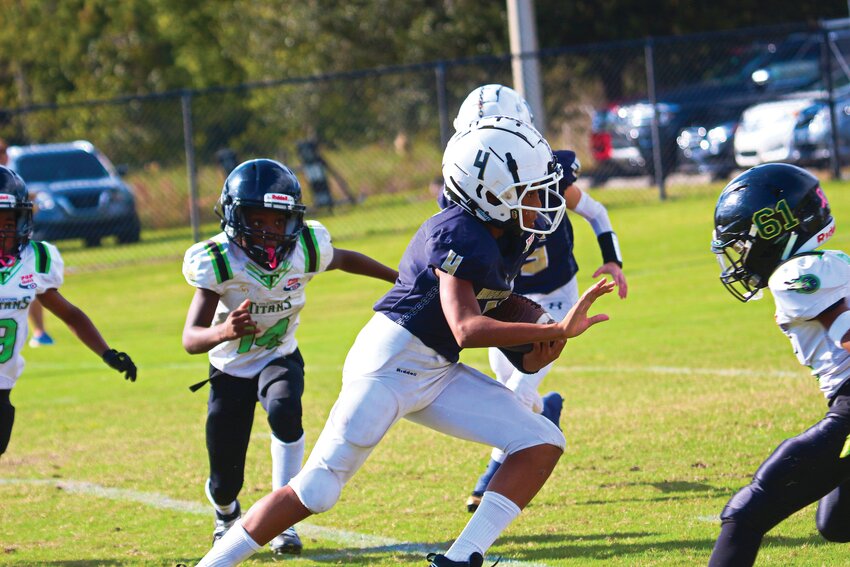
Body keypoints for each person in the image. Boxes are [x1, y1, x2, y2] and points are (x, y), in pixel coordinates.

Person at [194, 116, 616, 567]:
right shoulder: (458, 230)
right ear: (490, 190)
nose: (543, 200)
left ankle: (461, 558)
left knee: (541, 440)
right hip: (390, 362)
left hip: (436, 368)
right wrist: (551, 329)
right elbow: (467, 329)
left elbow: (491, 308)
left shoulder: (506, 232)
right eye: (532, 189)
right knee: (318, 488)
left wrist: (536, 348)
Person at [181, 158, 397, 556]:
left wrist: (401, 278)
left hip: (279, 355)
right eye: (257, 220)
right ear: (235, 217)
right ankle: (226, 514)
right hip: (229, 369)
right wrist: (223, 331)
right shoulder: (220, 260)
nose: (268, 231)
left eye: (278, 221)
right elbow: (190, 339)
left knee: (284, 407)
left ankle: (283, 518)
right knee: (225, 475)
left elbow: (347, 259)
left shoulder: (307, 249)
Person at [445, 84, 629, 512]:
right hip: (510, 295)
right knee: (508, 384)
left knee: (515, 389)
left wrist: (612, 260)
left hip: (558, 293)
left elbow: (596, 212)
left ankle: (490, 477)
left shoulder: (550, 173)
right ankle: (549, 409)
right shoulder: (471, 191)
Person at [707, 163, 850, 566]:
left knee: (746, 513)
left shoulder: (797, 273)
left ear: (775, 230)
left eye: (743, 242)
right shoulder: (829, 262)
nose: (741, 255)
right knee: (837, 522)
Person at [0, 166, 136, 457]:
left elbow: (70, 315)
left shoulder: (34, 260)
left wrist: (107, 353)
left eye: (8, 223)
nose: (2, 232)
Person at [0, 139, 53, 349]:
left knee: (29, 280)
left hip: (12, 245)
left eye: (3, 151)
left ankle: (39, 330)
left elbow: (29, 207)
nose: (2, 155)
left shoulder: (11, 176)